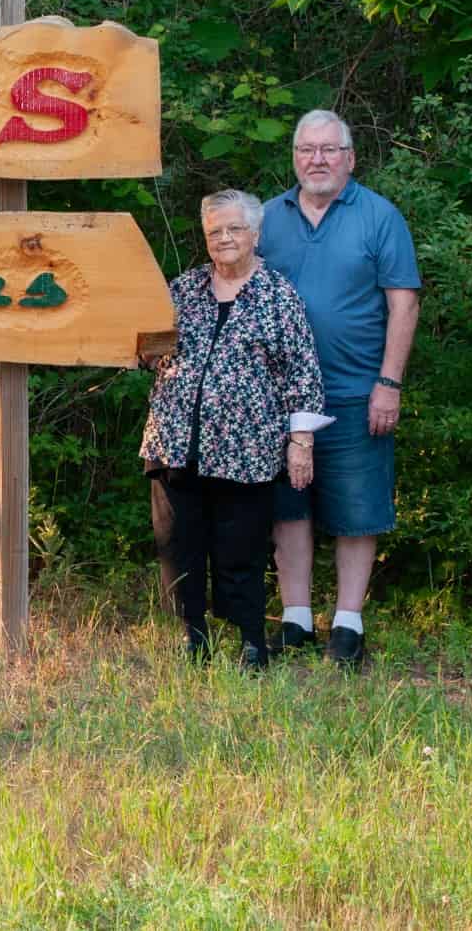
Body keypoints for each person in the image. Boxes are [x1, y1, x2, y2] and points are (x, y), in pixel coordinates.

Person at [260, 110, 421, 670]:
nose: (318, 160)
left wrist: (389, 383)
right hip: (280, 399)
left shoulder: (380, 217)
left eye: (330, 149)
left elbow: (404, 303)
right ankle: (296, 619)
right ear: (295, 157)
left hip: (356, 390)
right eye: (308, 149)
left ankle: (348, 627)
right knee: (289, 509)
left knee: (358, 510)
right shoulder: (265, 218)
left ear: (350, 157)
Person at [140, 189, 327, 667]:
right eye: (214, 231)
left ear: (255, 235)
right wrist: (143, 351)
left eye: (234, 229)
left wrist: (300, 443)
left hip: (246, 451)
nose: (224, 238)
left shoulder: (278, 297)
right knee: (180, 545)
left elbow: (302, 374)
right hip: (175, 441)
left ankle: (250, 640)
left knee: (240, 548)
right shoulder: (181, 290)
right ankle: (193, 637)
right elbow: (146, 353)